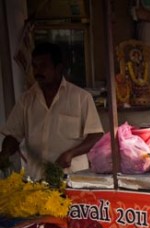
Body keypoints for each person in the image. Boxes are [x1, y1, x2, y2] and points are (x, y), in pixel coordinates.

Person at [0, 42, 103, 180]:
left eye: (43, 66)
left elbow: (95, 135)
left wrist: (71, 153)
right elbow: (13, 135)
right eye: (35, 66)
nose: (37, 72)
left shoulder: (81, 98)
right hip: (37, 178)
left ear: (58, 68)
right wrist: (5, 153)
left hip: (72, 178)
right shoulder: (26, 100)